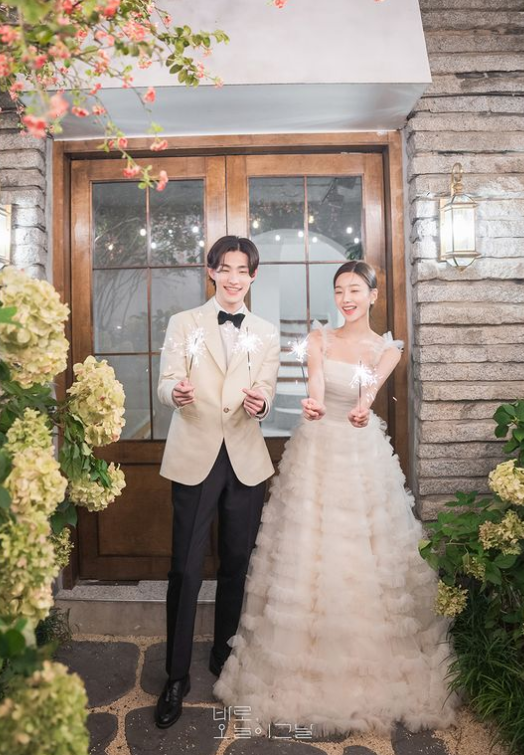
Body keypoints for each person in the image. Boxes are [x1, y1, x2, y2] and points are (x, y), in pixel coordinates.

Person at [214, 260, 459, 736]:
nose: (346, 299)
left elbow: (368, 392)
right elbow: (318, 387)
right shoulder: (319, 339)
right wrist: (315, 405)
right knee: (308, 549)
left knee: (363, 550)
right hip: (317, 448)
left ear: (372, 295)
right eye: (340, 290)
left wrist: (363, 410)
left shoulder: (386, 349)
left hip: (361, 453)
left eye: (355, 290)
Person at [155, 236, 280, 729]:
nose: (233, 278)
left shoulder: (266, 332)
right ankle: (175, 676)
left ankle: (223, 657)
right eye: (225, 268)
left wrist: (261, 403)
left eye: (242, 270)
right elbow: (166, 381)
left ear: (253, 276)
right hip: (195, 455)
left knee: (236, 566)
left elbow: (266, 387)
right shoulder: (184, 323)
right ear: (211, 271)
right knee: (185, 570)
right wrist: (176, 393)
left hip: (245, 460)